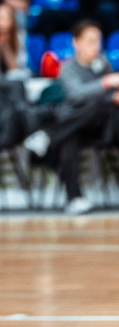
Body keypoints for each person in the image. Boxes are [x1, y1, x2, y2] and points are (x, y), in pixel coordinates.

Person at [24, 20, 119, 215]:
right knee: (70, 138)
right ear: (76, 43)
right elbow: (76, 95)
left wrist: (112, 95)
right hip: (77, 125)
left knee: (100, 105)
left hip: (103, 124)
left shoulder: (103, 63)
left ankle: (49, 136)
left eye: (98, 41)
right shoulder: (68, 68)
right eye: (90, 41)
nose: (96, 46)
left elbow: (108, 97)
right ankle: (74, 197)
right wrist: (105, 83)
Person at [0, 3, 28, 79]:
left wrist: (6, 48)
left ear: (12, 20)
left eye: (4, 18)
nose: (0, 22)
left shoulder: (21, 37)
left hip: (18, 76)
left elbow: (19, 68)